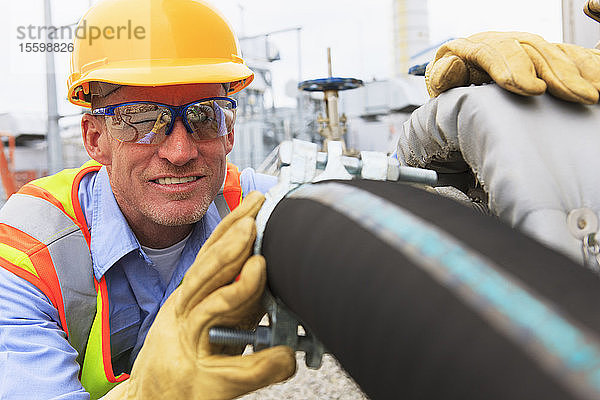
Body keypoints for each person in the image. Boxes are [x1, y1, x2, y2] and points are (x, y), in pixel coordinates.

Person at [0, 0, 295, 399]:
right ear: (95, 138)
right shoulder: (30, 249)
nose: (179, 152)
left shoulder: (250, 205)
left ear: (229, 131)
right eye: (141, 119)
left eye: (205, 115)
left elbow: (363, 214)